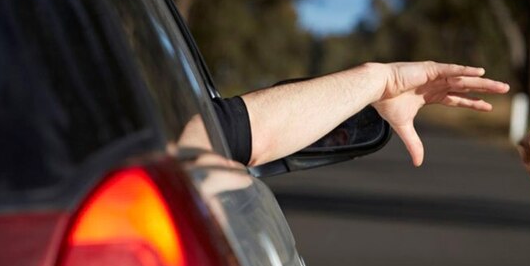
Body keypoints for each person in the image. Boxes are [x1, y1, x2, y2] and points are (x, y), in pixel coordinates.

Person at [211, 61, 510, 168]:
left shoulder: (185, 136)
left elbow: (235, 133)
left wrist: (382, 82)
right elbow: (235, 135)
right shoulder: (197, 138)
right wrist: (381, 81)